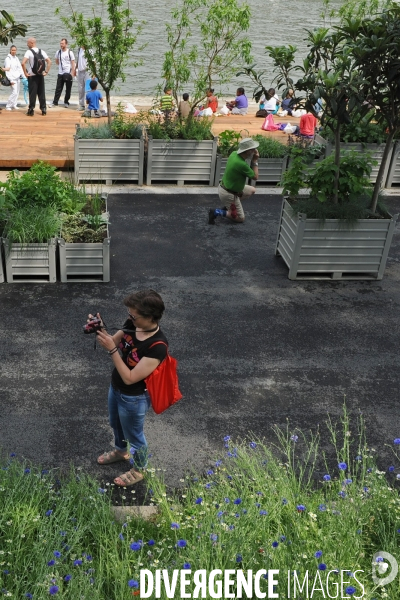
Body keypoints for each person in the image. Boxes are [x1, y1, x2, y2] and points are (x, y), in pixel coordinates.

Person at [94, 289, 168, 487]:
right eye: (129, 314)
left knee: (135, 436)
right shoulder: (132, 324)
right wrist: (100, 329)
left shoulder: (157, 346)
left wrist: (111, 349)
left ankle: (140, 469)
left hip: (134, 397)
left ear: (150, 317)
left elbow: (130, 378)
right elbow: (115, 340)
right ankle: (120, 451)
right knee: (115, 424)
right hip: (115, 387)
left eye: (133, 315)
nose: (129, 318)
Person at [208, 137, 259, 224]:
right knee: (240, 218)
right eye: (253, 149)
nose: (255, 150)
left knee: (252, 190)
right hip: (228, 194)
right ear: (248, 151)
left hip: (226, 188)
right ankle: (216, 212)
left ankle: (229, 206)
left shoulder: (234, 154)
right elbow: (255, 176)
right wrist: (254, 160)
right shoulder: (241, 164)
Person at [21, 37, 51, 117]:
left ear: (32, 43)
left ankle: (31, 110)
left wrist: (25, 73)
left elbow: (23, 63)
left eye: (28, 43)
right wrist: (46, 72)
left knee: (32, 94)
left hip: (32, 76)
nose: (27, 44)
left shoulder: (28, 52)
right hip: (40, 75)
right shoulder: (42, 51)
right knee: (41, 93)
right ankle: (43, 109)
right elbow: (49, 61)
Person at [48, 38, 76, 108]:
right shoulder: (58, 52)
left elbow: (73, 63)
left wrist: (73, 73)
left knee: (68, 89)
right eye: (60, 43)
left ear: (66, 44)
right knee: (58, 88)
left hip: (68, 73)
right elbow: (57, 61)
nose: (61, 45)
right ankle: (55, 102)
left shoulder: (70, 52)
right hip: (60, 73)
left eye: (63, 44)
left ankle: (66, 102)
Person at [3, 45, 24, 110]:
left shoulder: (16, 58)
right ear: (10, 50)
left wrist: (23, 76)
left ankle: (14, 104)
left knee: (17, 92)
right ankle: (8, 105)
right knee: (14, 92)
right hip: (12, 78)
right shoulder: (8, 59)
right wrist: (10, 80)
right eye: (12, 50)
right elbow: (8, 70)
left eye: (15, 50)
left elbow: (20, 68)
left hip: (17, 77)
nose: (14, 51)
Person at [76, 46, 91, 111]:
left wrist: (94, 73)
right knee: (80, 89)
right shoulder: (79, 49)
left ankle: (89, 105)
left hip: (87, 71)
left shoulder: (89, 50)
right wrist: (75, 69)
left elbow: (93, 61)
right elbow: (78, 60)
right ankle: (81, 105)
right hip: (80, 71)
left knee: (88, 88)